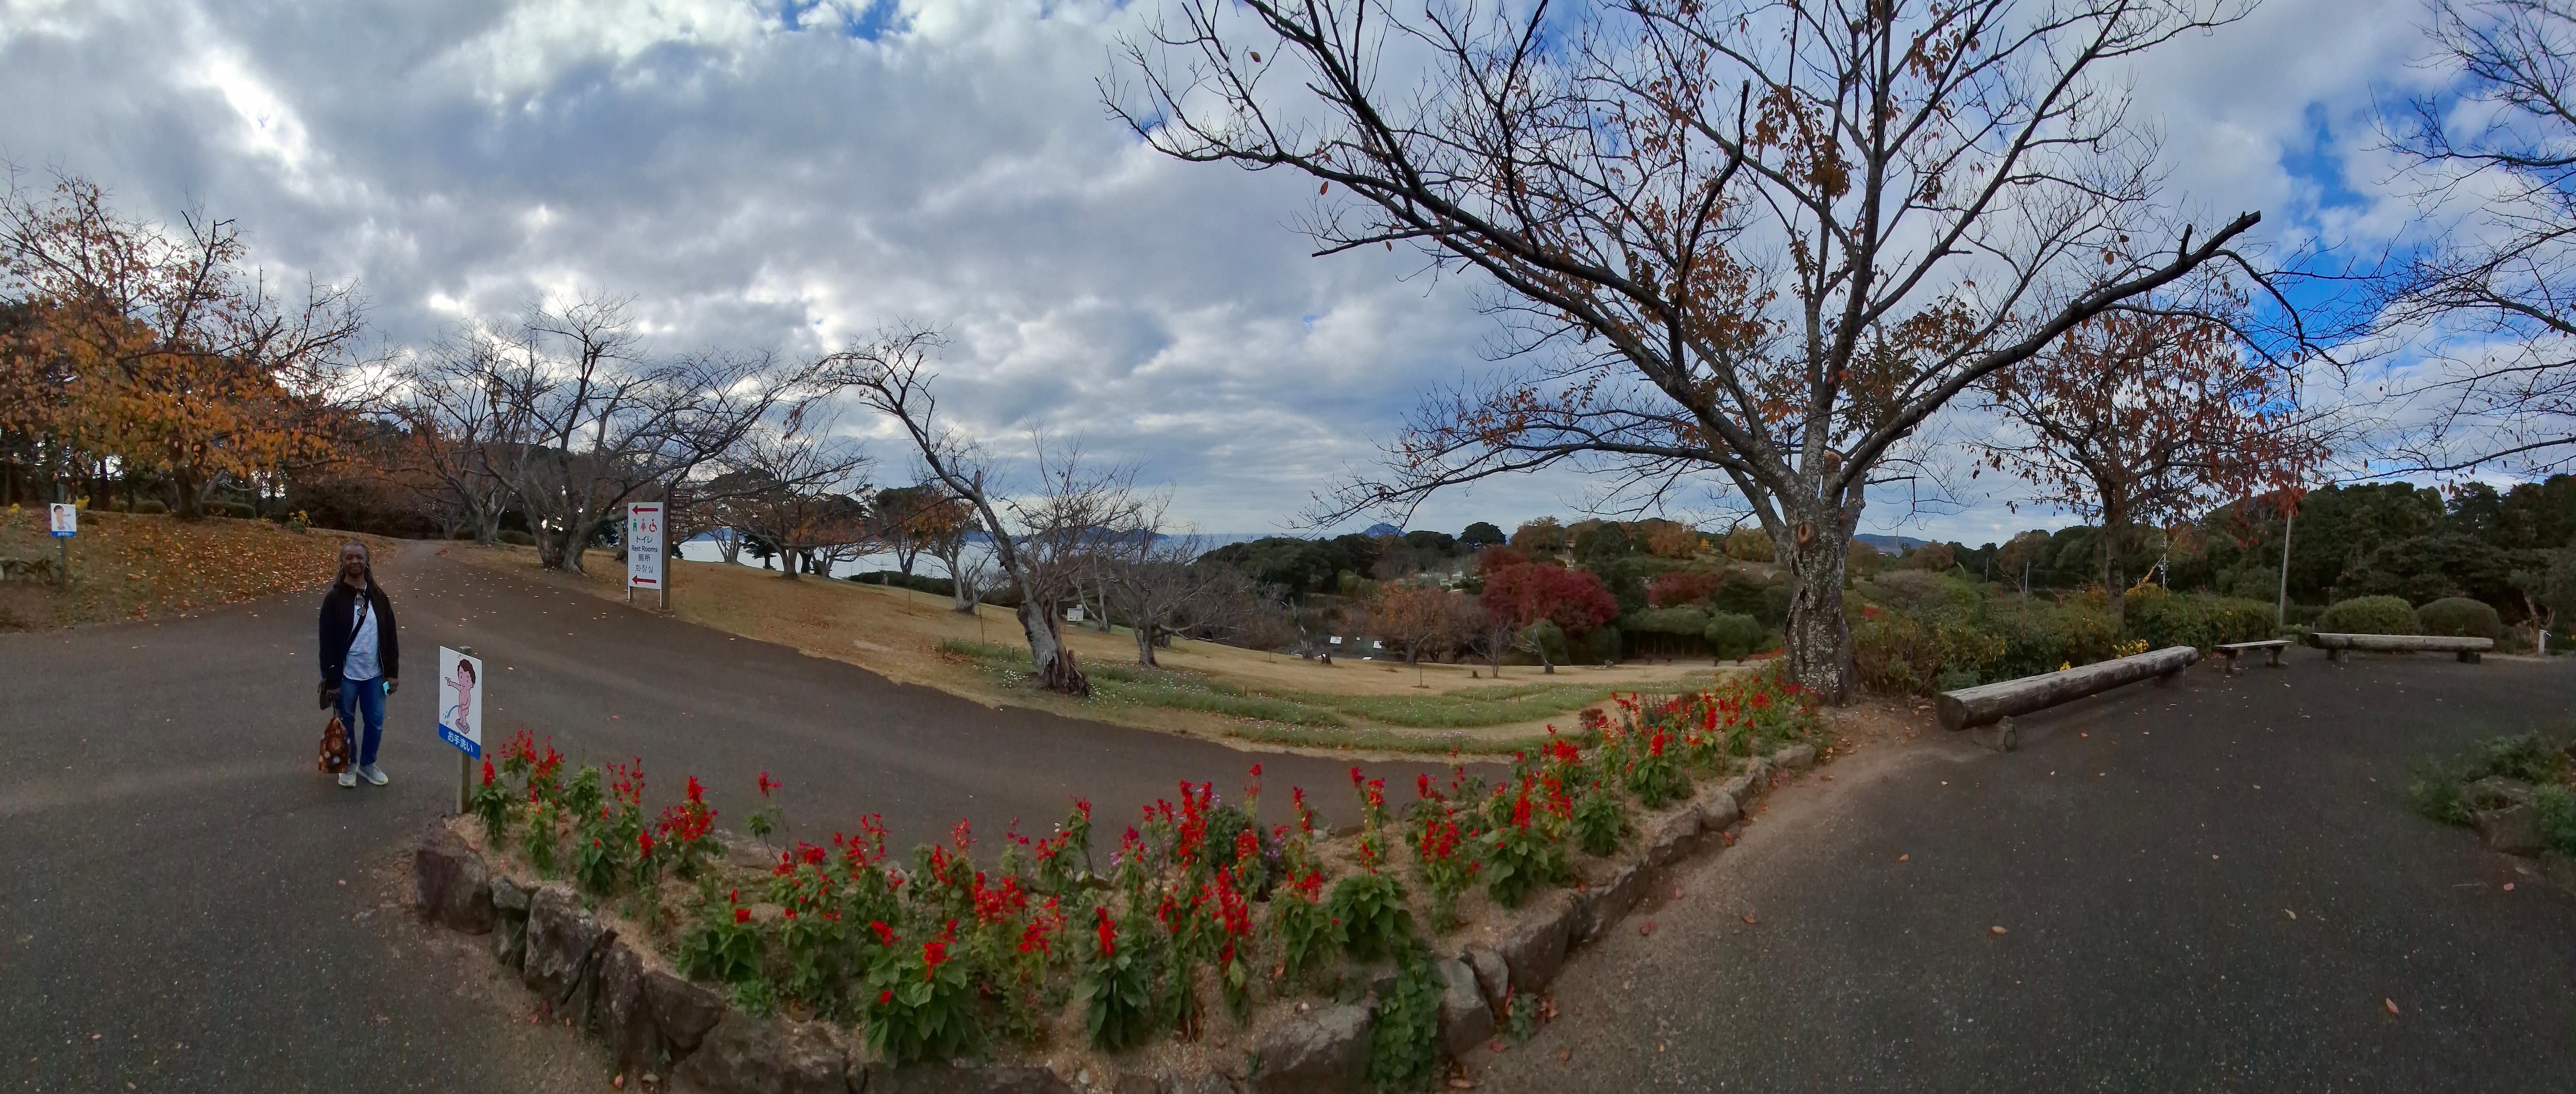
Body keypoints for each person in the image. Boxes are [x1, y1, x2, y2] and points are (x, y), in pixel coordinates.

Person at [318, 541, 400, 788]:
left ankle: (367, 765)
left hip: (376, 676)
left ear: (367, 562)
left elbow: (390, 637)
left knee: (376, 721)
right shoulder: (334, 599)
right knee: (346, 720)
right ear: (342, 563)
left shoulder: (379, 597)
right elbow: (327, 643)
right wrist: (331, 681)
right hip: (346, 676)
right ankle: (349, 764)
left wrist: (392, 675)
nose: (355, 562)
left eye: (360, 557)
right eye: (349, 558)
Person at [440, 657, 477, 739]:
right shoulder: (462, 688)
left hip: (465, 708)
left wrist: (465, 706)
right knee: (460, 712)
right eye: (461, 677)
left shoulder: (467, 692)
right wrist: (450, 683)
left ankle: (464, 723)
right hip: (461, 707)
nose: (463, 682)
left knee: (463, 714)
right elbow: (457, 686)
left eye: (467, 681)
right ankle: (461, 721)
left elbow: (468, 702)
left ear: (472, 684)